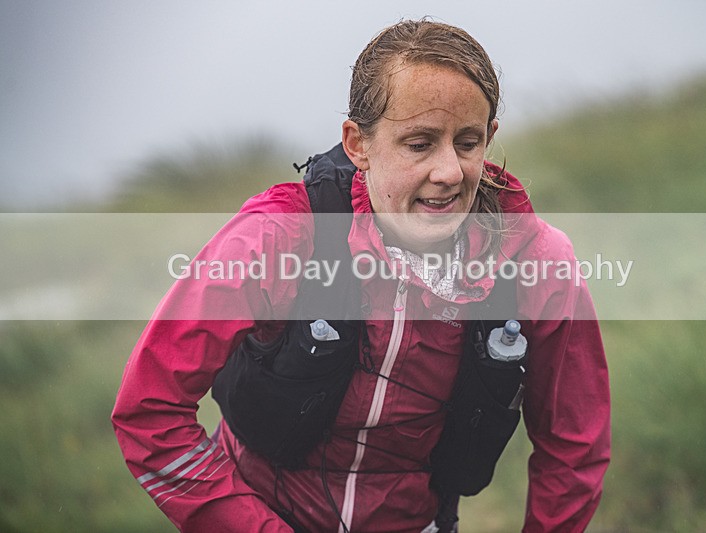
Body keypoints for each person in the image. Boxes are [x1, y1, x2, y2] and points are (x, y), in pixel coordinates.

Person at [112, 19, 610, 532]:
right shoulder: (278, 237)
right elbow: (149, 412)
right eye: (418, 143)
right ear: (357, 144)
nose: (449, 172)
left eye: (467, 142)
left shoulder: (538, 264)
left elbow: (575, 451)